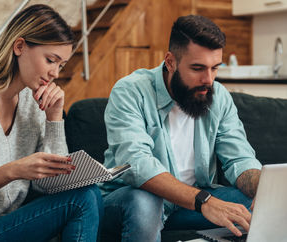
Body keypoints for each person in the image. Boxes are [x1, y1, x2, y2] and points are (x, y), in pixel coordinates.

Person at [100, 15, 262, 241]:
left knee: (257, 206)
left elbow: (239, 158)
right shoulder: (130, 91)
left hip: (189, 205)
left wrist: (262, 187)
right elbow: (137, 164)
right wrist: (204, 201)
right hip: (131, 200)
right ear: (170, 61)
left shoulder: (219, 97)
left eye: (215, 68)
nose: (208, 79)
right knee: (144, 203)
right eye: (198, 68)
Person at [0, 4, 103, 241]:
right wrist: (13, 171)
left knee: (90, 192)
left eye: (61, 65)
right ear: (20, 46)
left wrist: (54, 118)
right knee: (82, 200)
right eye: (50, 60)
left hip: (11, 222)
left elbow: (51, 185)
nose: (55, 73)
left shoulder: (33, 103)